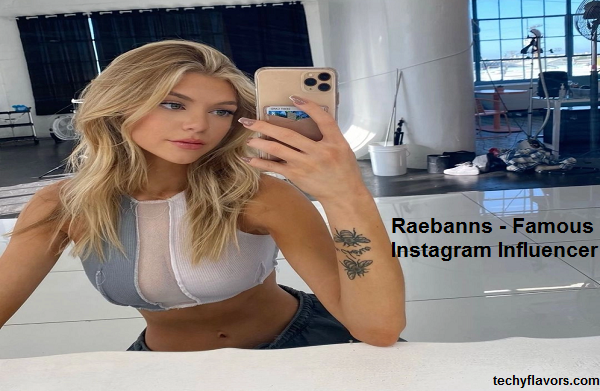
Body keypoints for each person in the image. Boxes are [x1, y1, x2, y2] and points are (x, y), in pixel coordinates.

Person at [0, 40, 406, 352]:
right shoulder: (63, 205)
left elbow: (378, 328)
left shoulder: (259, 196)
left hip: (301, 345)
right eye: (173, 104)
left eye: (221, 111)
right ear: (120, 106)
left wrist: (346, 194)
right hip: (165, 370)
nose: (198, 124)